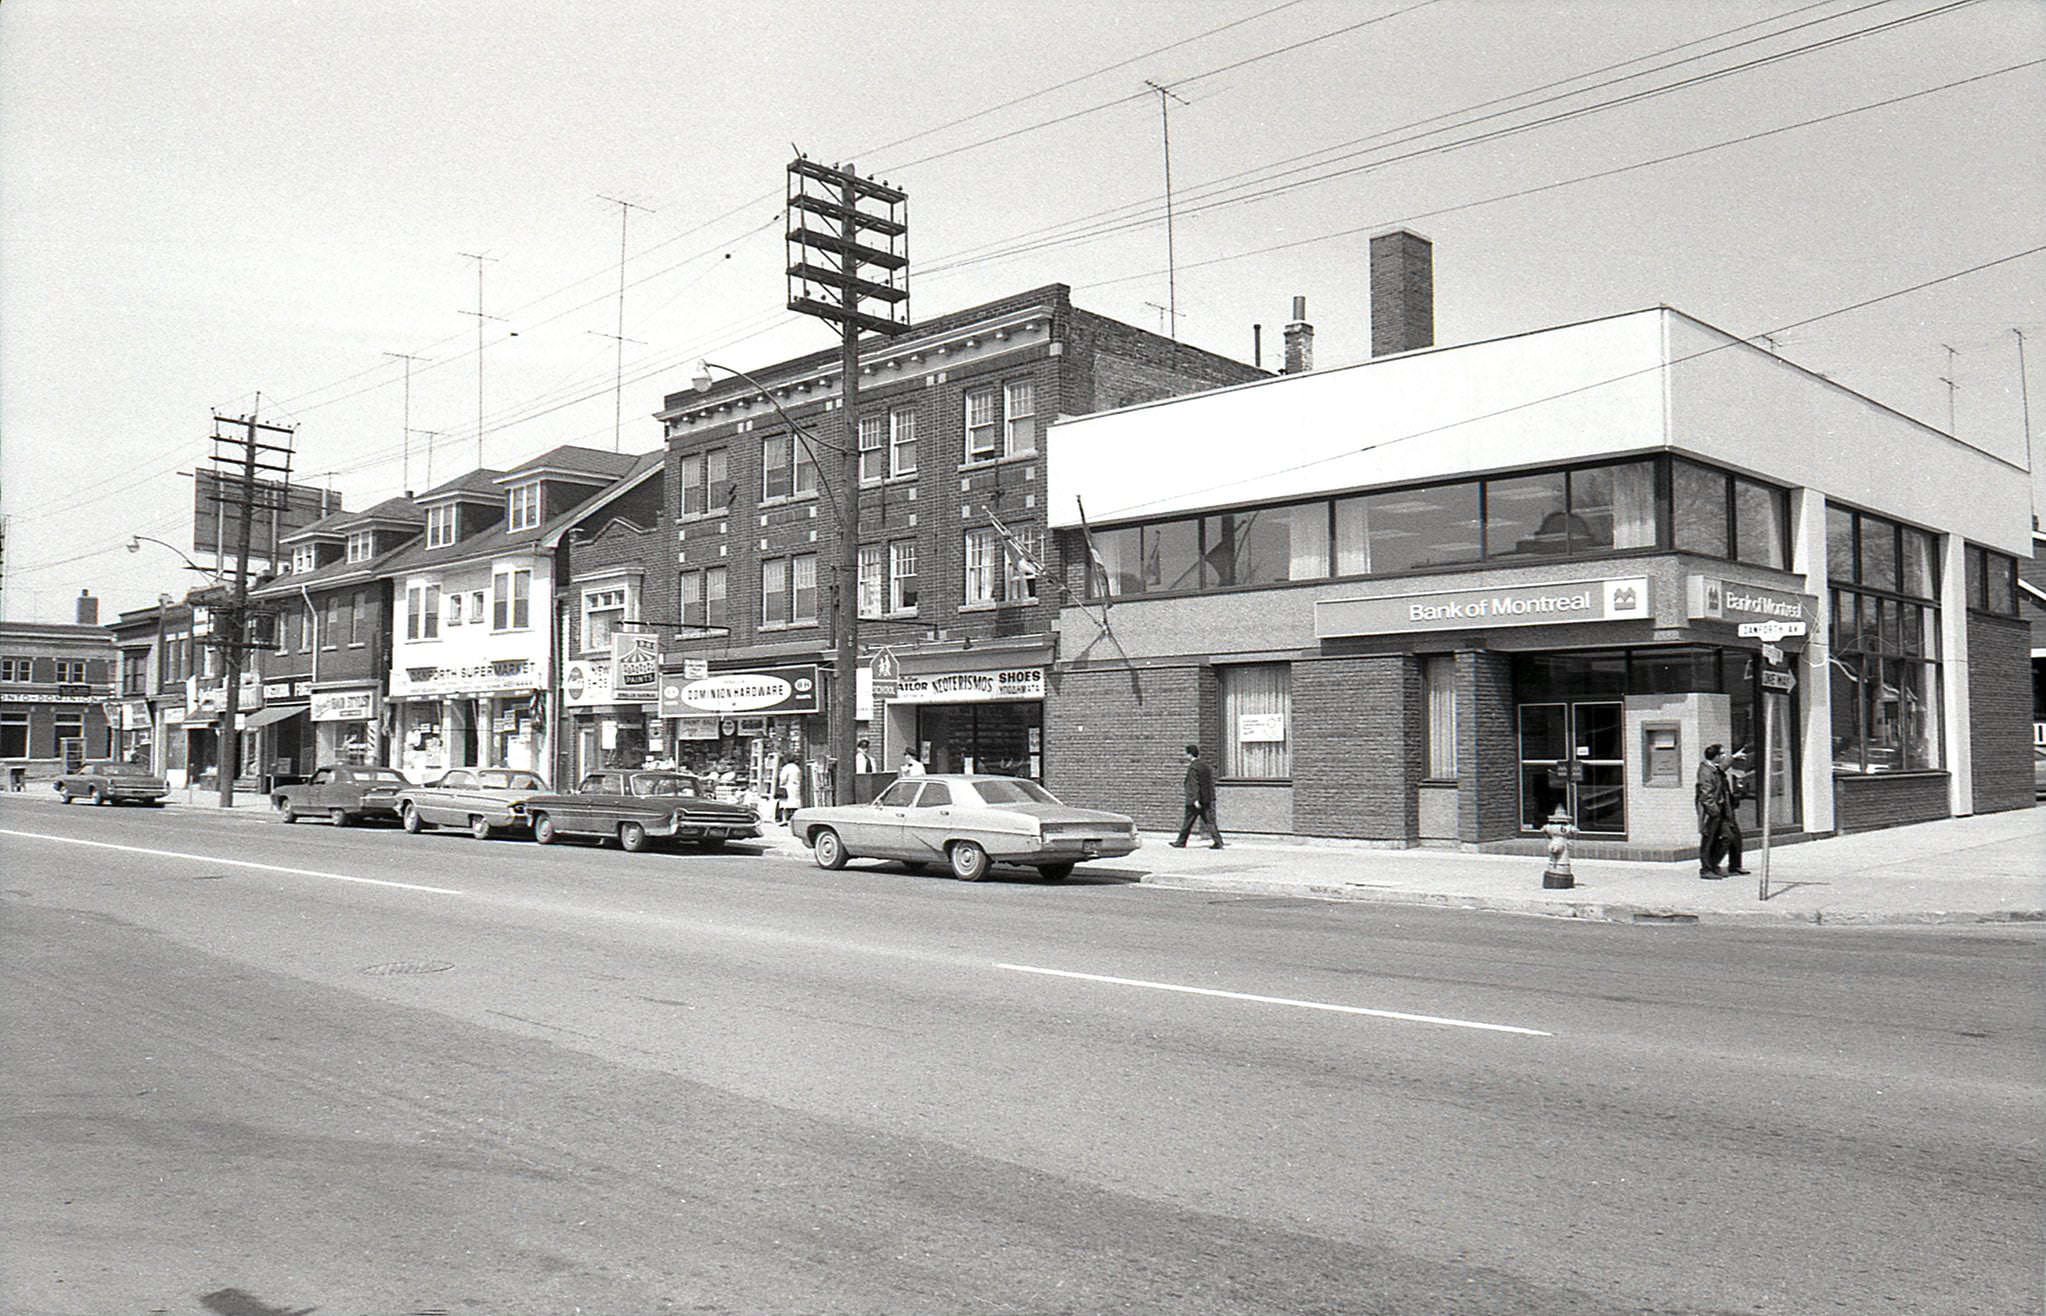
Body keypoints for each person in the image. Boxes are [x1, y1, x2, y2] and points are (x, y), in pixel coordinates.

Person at [1169, 744, 1224, 849]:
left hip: (1196, 800)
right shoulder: (1205, 766)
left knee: (1188, 822)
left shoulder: (1193, 767)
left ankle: (1180, 842)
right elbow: (1208, 783)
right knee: (1210, 821)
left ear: (1189, 754)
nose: (1185, 756)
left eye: (1186, 753)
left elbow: (1193, 784)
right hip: (1206, 799)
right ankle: (1218, 841)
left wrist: (1195, 799)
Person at [1694, 743, 1732, 878]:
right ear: (1715, 756)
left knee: (1727, 837)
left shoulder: (1714, 768)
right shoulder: (1706, 771)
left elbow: (1723, 768)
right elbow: (1706, 794)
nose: (1723, 756)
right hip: (1710, 812)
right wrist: (1714, 811)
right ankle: (1706, 869)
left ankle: (1713, 864)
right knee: (1708, 840)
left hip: (1719, 809)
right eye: (1721, 754)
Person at [1719, 747, 1752, 876]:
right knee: (1724, 838)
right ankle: (1710, 866)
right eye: (1721, 754)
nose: (1723, 756)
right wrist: (1733, 757)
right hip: (1720, 811)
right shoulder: (1711, 770)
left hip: (1728, 810)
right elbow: (1722, 767)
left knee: (1735, 838)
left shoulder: (1721, 772)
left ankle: (1735, 865)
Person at [776, 756, 805, 824]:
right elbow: (800, 778)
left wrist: (781, 784)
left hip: (787, 787)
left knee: (785, 804)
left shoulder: (786, 768)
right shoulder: (797, 768)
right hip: (796, 786)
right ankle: (797, 818)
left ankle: (784, 819)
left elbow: (783, 778)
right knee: (795, 803)